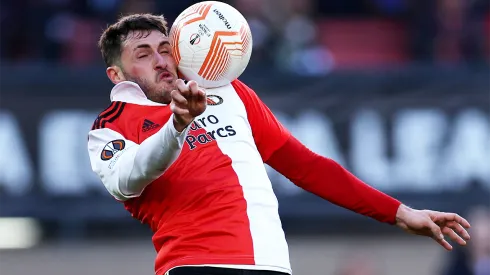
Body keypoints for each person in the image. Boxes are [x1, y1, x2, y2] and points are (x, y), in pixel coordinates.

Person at [87, 13, 471, 275]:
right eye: (143, 54)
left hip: (272, 265)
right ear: (115, 73)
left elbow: (304, 165)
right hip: (196, 265)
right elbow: (130, 177)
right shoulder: (109, 128)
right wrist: (179, 125)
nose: (160, 61)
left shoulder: (225, 89)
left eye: (164, 49)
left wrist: (399, 212)